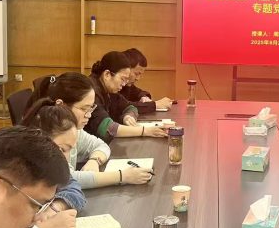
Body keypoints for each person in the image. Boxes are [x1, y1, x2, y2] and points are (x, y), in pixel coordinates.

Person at [23, 94, 153, 189]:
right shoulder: (32, 167)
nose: (89, 114)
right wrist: (122, 176)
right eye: (84, 108)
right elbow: (68, 179)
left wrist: (94, 160)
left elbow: (101, 145)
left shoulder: (70, 130)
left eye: (91, 108)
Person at [86, 52, 168, 142]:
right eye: (123, 79)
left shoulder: (109, 88)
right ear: (107, 75)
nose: (124, 84)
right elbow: (107, 128)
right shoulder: (90, 91)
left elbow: (130, 107)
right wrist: (144, 131)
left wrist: (128, 116)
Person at [119, 48, 173, 114]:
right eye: (136, 74)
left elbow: (139, 92)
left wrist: (144, 97)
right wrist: (155, 105)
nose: (138, 78)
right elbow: (123, 106)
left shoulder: (127, 85)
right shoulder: (115, 86)